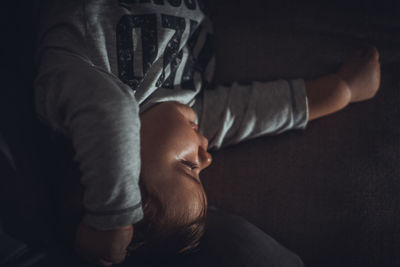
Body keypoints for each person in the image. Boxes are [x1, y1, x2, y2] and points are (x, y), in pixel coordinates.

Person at [34, 0, 380, 266]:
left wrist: (111, 220)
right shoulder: (180, 111)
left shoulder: (73, 92)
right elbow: (247, 114)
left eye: (188, 167)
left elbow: (111, 118)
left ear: (116, 172)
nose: (207, 157)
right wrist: (340, 91)